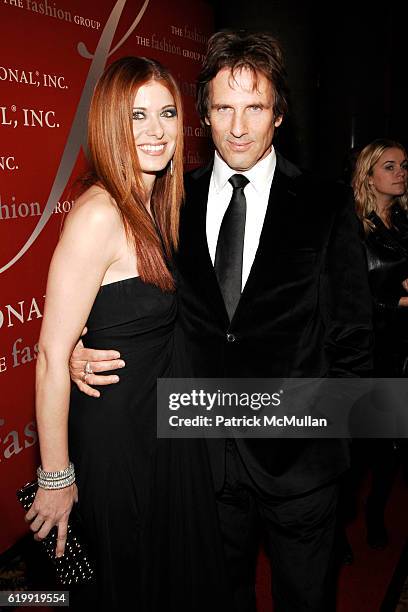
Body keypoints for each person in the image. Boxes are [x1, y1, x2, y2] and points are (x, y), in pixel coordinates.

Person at [70, 31, 373, 612]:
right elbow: (139, 305)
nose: (238, 126)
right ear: (203, 115)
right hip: (199, 461)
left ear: (278, 115)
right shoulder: (170, 201)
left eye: (254, 107)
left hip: (300, 464)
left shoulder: (325, 205)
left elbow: (353, 341)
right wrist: (79, 347)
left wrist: (332, 444)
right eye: (223, 108)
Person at [24, 56, 228, 611]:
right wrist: (56, 476)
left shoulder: (160, 200)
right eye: (136, 116)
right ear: (110, 122)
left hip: (161, 425)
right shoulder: (100, 213)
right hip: (119, 436)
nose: (156, 131)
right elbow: (48, 353)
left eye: (165, 113)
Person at [352, 138, 408, 548]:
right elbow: (350, 300)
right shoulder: (354, 228)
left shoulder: (405, 223)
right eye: (390, 166)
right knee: (358, 450)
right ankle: (335, 529)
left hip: (403, 349)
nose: (401, 172)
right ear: (368, 176)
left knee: (391, 443)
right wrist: (401, 298)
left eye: (404, 165)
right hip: (369, 352)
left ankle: (375, 514)